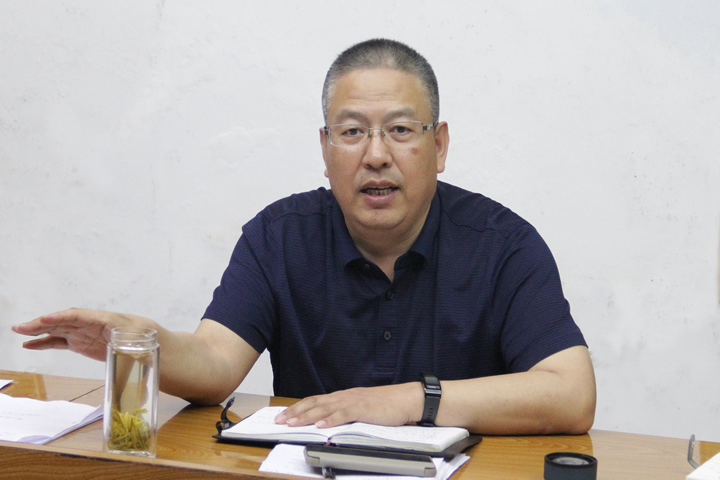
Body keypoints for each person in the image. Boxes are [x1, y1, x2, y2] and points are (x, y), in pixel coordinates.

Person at [12, 39, 596, 435]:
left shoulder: (503, 245)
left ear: (438, 146)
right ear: (325, 148)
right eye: (352, 132)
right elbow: (215, 365)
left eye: (399, 130)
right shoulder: (279, 237)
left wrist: (405, 400)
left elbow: (570, 395)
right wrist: (142, 340)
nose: (375, 155)